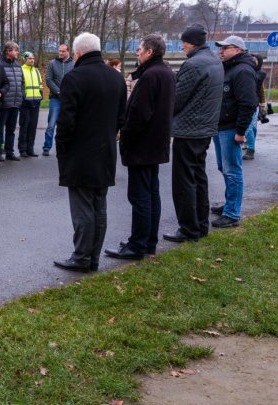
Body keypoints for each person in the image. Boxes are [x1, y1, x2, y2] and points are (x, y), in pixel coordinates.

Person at [53, 32, 126, 273]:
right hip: (105, 151)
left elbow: (66, 121)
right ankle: (92, 256)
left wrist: (62, 148)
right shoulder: (116, 78)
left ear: (78, 53)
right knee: (99, 206)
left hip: (80, 153)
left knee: (83, 208)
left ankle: (82, 257)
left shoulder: (74, 77)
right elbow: (120, 117)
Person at [104, 34, 175, 260]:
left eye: (140, 49)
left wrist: (125, 135)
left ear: (149, 52)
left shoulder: (151, 76)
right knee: (151, 193)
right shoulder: (165, 73)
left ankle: (137, 245)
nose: (137, 52)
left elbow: (138, 113)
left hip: (143, 145)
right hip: (156, 144)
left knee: (140, 196)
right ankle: (148, 241)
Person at [163, 24, 223, 243]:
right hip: (205, 129)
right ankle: (201, 224)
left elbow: (176, 100)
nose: (182, 46)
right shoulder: (215, 61)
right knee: (199, 177)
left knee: (184, 181)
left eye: (184, 42)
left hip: (188, 130)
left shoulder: (193, 64)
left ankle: (188, 229)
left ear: (191, 43)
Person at [209, 35, 258, 228]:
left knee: (232, 171)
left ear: (237, 50)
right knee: (224, 168)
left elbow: (248, 103)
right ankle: (230, 204)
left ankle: (232, 213)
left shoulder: (243, 71)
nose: (221, 51)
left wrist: (240, 131)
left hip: (231, 129)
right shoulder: (230, 68)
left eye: (225, 48)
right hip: (220, 127)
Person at [42, 43, 74, 156]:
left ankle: (65, 147)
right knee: (51, 124)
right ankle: (46, 147)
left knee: (67, 124)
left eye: (63, 51)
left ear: (68, 51)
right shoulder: (52, 63)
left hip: (69, 99)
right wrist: (58, 91)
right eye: (59, 51)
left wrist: (69, 93)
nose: (60, 53)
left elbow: (76, 80)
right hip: (55, 98)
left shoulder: (74, 64)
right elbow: (49, 79)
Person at [0, 41, 25, 161]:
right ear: (8, 51)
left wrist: (21, 95)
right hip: (3, 103)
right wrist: (0, 98)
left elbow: (22, 82)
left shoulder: (17, 65)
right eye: (15, 50)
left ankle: (9, 152)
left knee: (11, 130)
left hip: (16, 102)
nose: (17, 52)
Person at [18, 51, 43, 157]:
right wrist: (22, 98)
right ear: (25, 59)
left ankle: (30, 149)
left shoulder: (36, 71)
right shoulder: (21, 70)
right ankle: (22, 149)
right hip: (25, 103)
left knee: (33, 127)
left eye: (33, 58)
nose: (32, 60)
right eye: (29, 58)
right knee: (24, 127)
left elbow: (40, 85)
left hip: (35, 103)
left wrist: (41, 96)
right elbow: (19, 86)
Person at [243, 54, 267, 160]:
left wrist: (263, 104)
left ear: (259, 62)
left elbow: (261, 91)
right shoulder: (246, 70)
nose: (252, 61)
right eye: (251, 59)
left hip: (253, 104)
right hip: (246, 103)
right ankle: (249, 144)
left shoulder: (259, 74)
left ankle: (251, 149)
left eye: (255, 60)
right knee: (251, 127)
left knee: (248, 127)